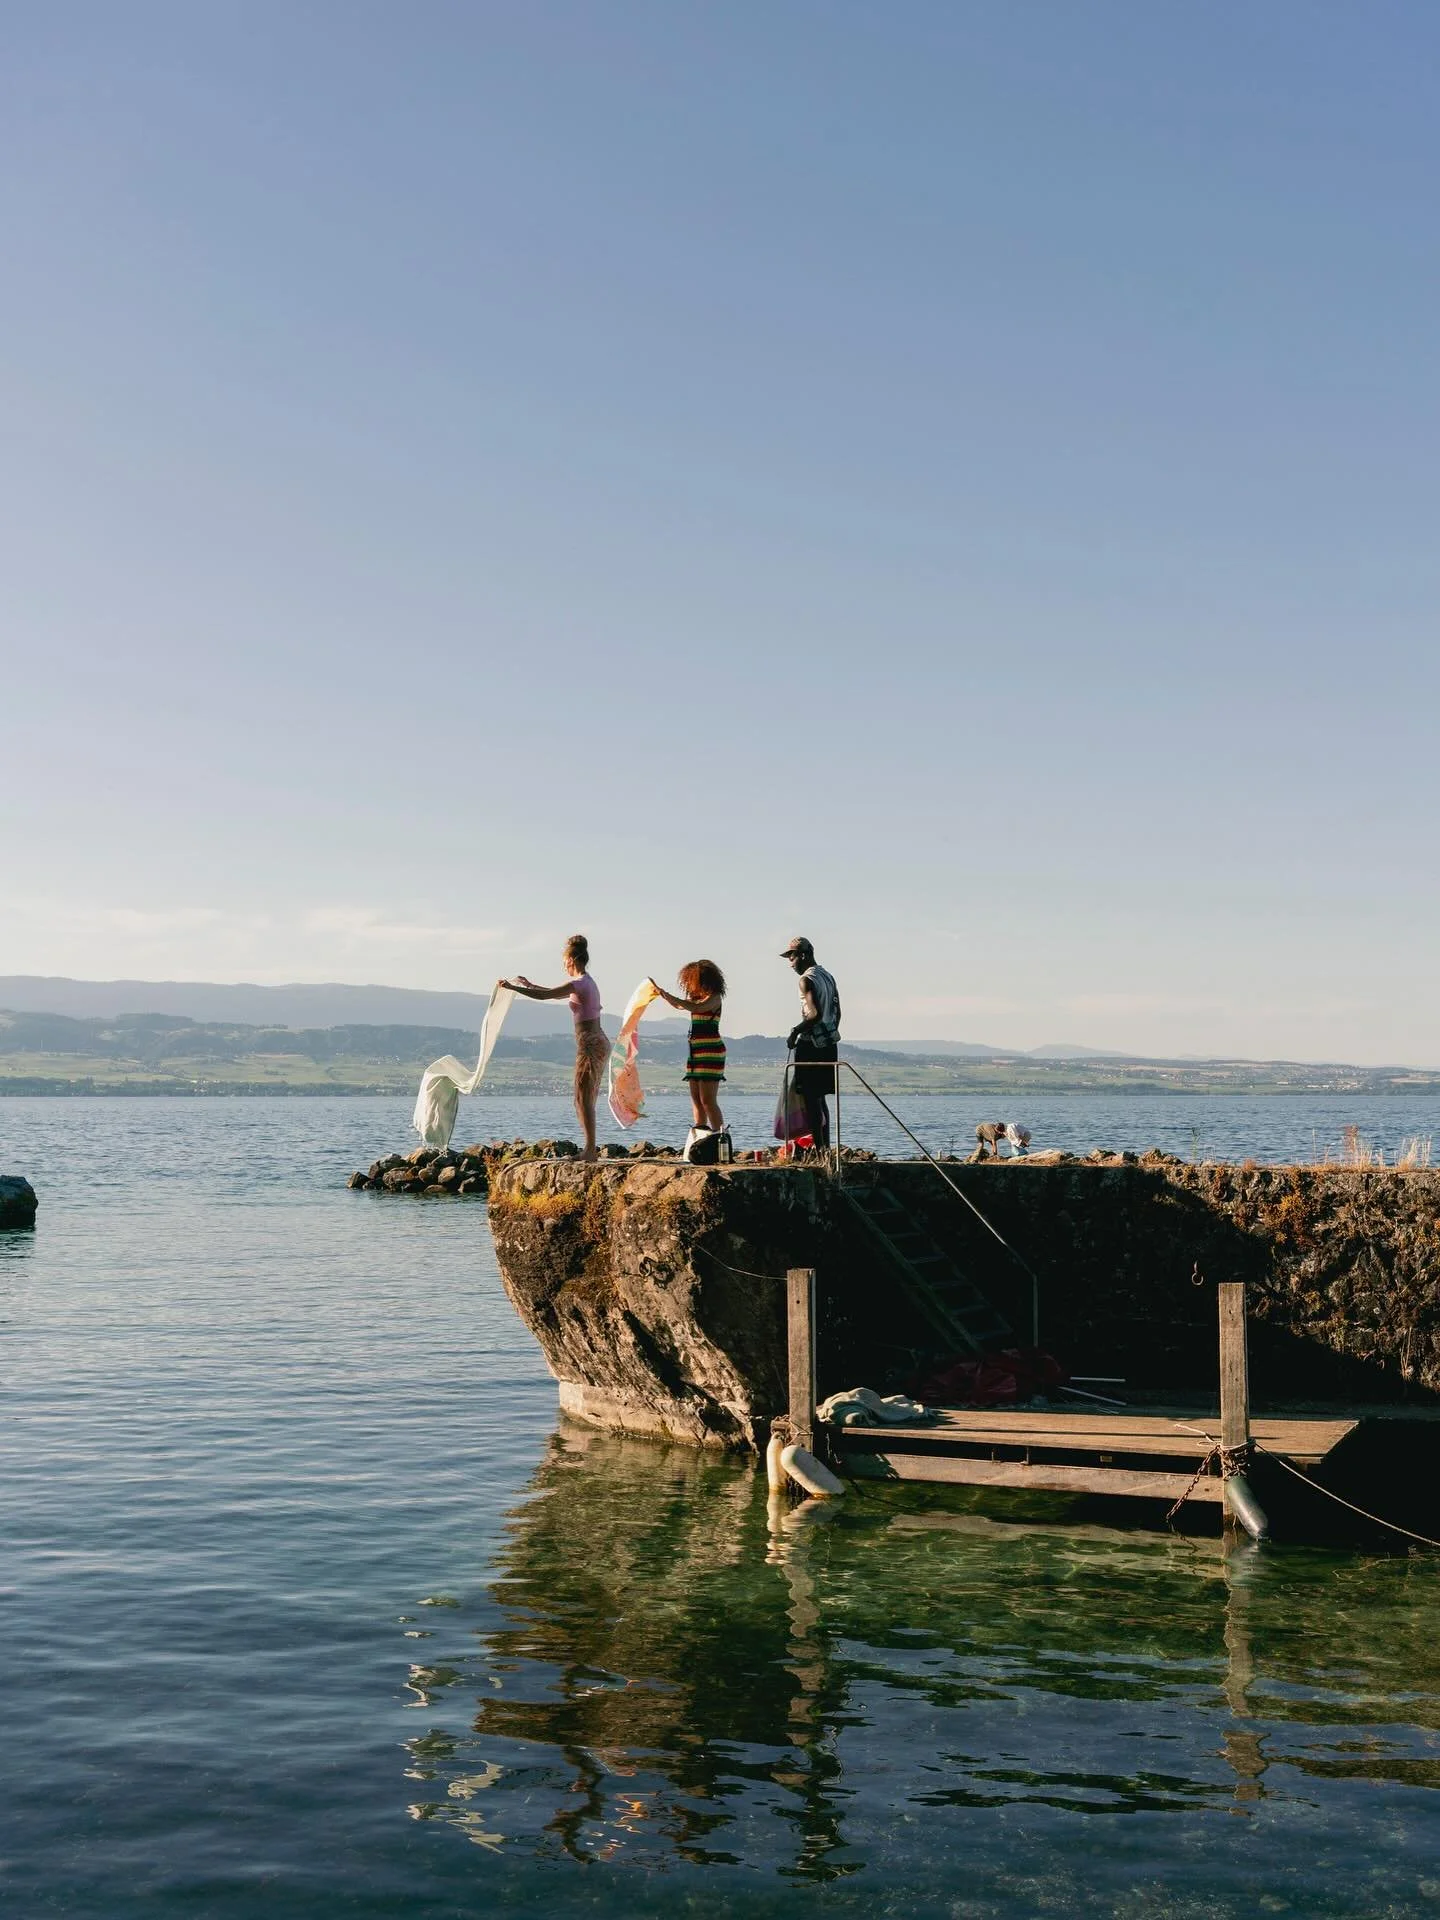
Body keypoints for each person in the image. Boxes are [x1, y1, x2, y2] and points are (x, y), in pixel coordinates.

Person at [501, 934, 608, 1161]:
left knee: (584, 1097)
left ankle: (590, 1151)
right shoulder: (583, 983)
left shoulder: (580, 983)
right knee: (580, 1097)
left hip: (591, 1044)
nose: (562, 965)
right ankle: (588, 1148)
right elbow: (550, 993)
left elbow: (545, 996)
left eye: (563, 960)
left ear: (571, 959)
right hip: (591, 1042)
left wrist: (512, 988)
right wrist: (529, 985)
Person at [649, 960, 727, 1135]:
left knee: (708, 1100)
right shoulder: (696, 998)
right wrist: (663, 994)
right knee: (696, 1100)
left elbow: (694, 1007)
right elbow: (680, 1004)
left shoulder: (714, 998)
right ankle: (701, 1133)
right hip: (696, 1053)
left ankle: (720, 1136)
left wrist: (669, 995)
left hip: (711, 1052)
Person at [780, 936, 840, 1149]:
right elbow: (837, 1012)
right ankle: (824, 1148)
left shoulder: (806, 980)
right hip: (829, 1044)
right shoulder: (828, 977)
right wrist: (828, 1035)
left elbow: (814, 1014)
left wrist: (795, 1032)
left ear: (803, 955)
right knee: (820, 1099)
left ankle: (820, 1148)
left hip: (811, 1045)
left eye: (792, 957)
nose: (791, 963)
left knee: (811, 1100)